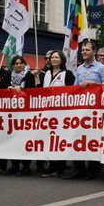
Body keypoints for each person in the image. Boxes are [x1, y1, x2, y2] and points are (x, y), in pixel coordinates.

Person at [72, 39, 104, 179]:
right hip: (81, 109)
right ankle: (79, 168)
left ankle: (93, 169)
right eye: (82, 50)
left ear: (94, 52)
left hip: (95, 110)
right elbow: (75, 87)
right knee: (78, 138)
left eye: (87, 50)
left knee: (92, 139)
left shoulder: (101, 68)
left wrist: (94, 83)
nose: (84, 52)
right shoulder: (80, 69)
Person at [42, 50, 75, 178]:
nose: (54, 59)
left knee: (60, 140)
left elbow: (72, 92)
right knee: (51, 140)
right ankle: (52, 167)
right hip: (49, 112)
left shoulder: (67, 74)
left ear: (62, 60)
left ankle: (60, 167)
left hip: (62, 113)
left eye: (56, 57)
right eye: (52, 57)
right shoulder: (47, 74)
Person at [5, 55, 37, 175]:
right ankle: (14, 165)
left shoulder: (29, 75)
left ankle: (26, 166)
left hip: (25, 111)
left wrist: (21, 90)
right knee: (12, 139)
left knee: (24, 138)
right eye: (16, 63)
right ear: (13, 65)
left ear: (24, 64)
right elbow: (3, 86)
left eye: (21, 63)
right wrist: (8, 88)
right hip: (11, 111)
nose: (18, 65)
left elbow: (32, 91)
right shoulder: (9, 75)